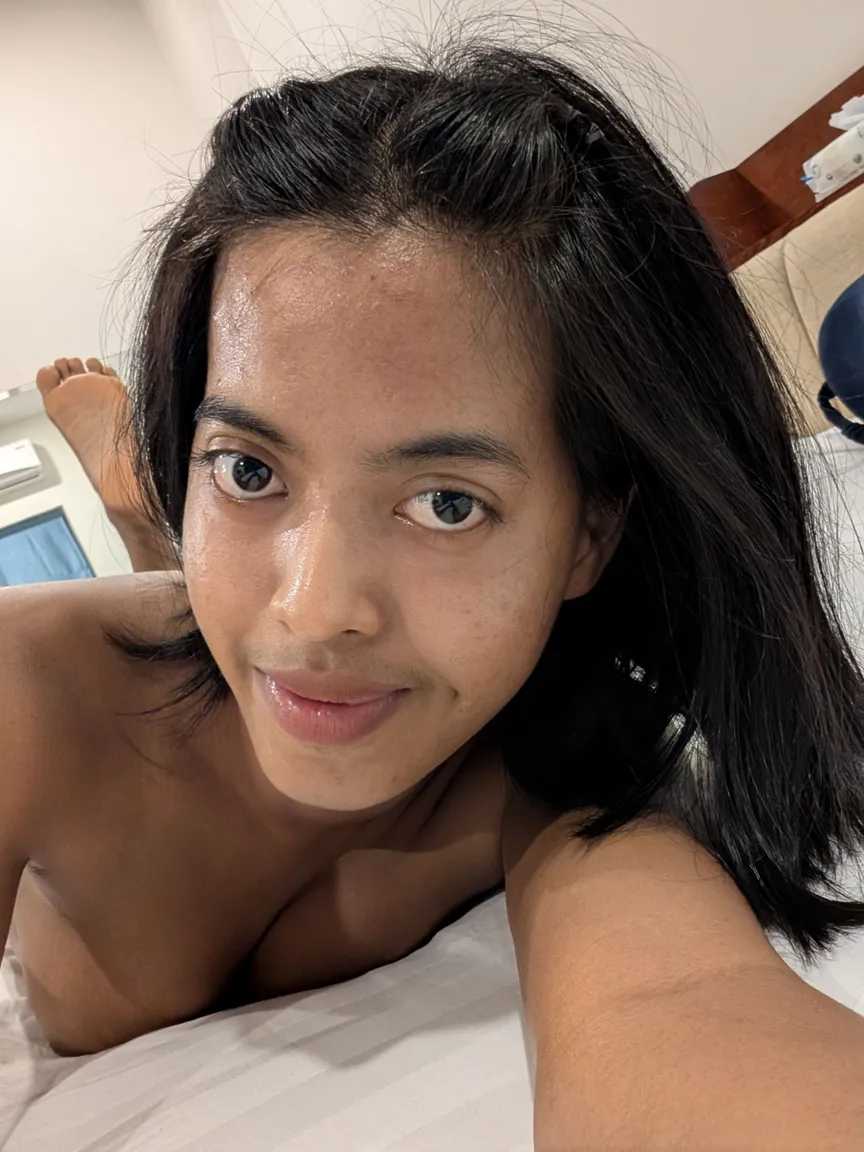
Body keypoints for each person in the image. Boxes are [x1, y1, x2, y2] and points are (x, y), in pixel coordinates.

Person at [5, 36, 864, 1150]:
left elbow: (679, 1003)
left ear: (589, 534)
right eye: (249, 468)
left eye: (447, 502)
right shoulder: (28, 684)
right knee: (189, 612)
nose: (316, 607)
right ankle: (147, 514)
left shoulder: (570, 759)